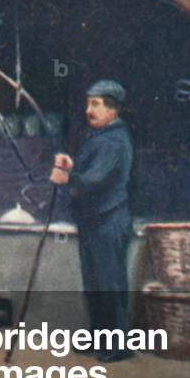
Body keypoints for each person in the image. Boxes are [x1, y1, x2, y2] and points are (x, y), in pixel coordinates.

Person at [50, 79, 135, 363]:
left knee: (109, 283)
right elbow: (89, 172)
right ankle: (100, 339)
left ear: (112, 109)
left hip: (109, 220)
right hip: (93, 221)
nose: (89, 110)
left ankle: (118, 345)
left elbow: (96, 179)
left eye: (96, 104)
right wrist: (72, 167)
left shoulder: (113, 140)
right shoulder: (98, 136)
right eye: (88, 103)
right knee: (94, 282)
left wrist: (68, 178)